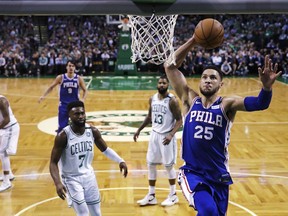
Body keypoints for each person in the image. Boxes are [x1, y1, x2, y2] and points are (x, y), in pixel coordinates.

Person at [164, 35, 282, 215]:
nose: (208, 80)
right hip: (192, 173)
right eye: (204, 77)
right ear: (200, 81)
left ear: (221, 84)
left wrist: (266, 89)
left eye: (213, 77)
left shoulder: (227, 104)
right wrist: (194, 40)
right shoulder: (189, 99)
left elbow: (260, 104)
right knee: (208, 211)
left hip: (218, 176)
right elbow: (170, 66)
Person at [50, 100, 128, 216]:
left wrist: (120, 160)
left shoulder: (92, 131)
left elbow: (105, 150)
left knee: (96, 213)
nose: (81, 116)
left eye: (82, 113)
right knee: (83, 213)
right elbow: (53, 162)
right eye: (76, 114)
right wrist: (57, 183)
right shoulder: (63, 136)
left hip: (89, 176)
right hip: (71, 178)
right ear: (69, 116)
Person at [133, 75, 183, 207]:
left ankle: (173, 195)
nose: (161, 85)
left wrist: (171, 135)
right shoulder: (153, 98)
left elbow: (179, 121)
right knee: (151, 164)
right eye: (160, 83)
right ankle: (151, 195)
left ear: (168, 85)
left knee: (168, 166)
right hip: (154, 135)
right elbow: (149, 116)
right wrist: (139, 129)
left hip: (166, 136)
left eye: (164, 83)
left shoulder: (172, 101)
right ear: (157, 84)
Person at [38, 60, 88, 133]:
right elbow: (51, 87)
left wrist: (83, 99)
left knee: (79, 126)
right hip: (64, 105)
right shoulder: (61, 77)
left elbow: (85, 90)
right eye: (69, 66)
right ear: (66, 67)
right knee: (62, 128)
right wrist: (43, 96)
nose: (71, 68)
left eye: (73, 66)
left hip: (75, 106)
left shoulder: (78, 78)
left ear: (75, 68)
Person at [0, 95, 20, 192]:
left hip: (10, 128)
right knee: (2, 152)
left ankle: (6, 182)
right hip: (3, 128)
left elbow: (6, 119)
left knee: (3, 153)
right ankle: (9, 174)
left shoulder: (2, 101)